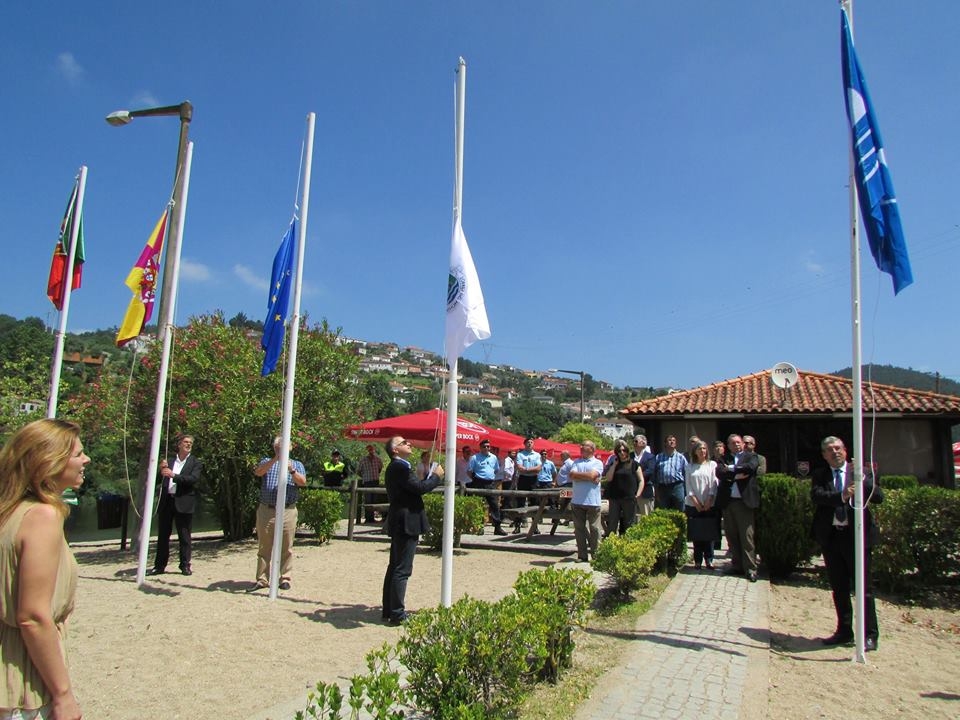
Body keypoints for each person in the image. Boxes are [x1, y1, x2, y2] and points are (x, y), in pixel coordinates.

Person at [0, 419, 87, 720]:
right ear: (50, 461)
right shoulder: (42, 516)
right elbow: (33, 617)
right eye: (77, 454)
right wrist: (63, 694)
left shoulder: (10, 511)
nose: (85, 460)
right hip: (22, 678)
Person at [811, 436, 883, 651]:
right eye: (830, 450)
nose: (835, 452)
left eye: (838, 448)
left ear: (845, 450)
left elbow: (878, 496)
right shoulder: (820, 475)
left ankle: (870, 635)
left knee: (864, 588)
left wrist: (863, 480)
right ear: (824, 455)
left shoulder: (859, 471)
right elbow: (817, 496)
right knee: (839, 587)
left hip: (857, 537)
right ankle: (844, 631)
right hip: (832, 537)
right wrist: (841, 496)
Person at [382, 437, 443, 625]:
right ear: (395, 450)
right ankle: (397, 614)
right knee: (402, 569)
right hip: (406, 521)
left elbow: (413, 488)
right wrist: (436, 477)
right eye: (404, 442)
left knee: (395, 567)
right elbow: (419, 488)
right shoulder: (400, 467)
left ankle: (389, 609)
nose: (409, 444)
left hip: (401, 520)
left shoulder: (399, 467)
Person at [250, 436, 307, 592]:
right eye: (277, 447)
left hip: (287, 510)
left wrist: (291, 469)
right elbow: (258, 472)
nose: (279, 450)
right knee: (264, 546)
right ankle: (262, 579)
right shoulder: (266, 461)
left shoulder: (296, 464)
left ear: (290, 448)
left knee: (286, 546)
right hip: (266, 510)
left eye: (282, 447)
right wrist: (275, 459)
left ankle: (285, 578)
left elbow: (302, 482)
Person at [149, 434, 202, 576]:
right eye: (186, 442)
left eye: (190, 442)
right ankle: (159, 566)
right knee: (163, 535)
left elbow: (193, 479)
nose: (188, 444)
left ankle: (185, 565)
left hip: (184, 501)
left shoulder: (195, 462)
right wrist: (161, 471)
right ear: (179, 444)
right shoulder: (170, 461)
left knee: (184, 536)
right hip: (167, 501)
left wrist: (174, 476)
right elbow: (159, 479)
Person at [715, 434, 760, 581]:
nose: (737, 445)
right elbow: (720, 472)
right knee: (731, 536)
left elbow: (750, 468)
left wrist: (732, 468)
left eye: (738, 442)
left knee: (747, 536)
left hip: (744, 502)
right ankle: (737, 566)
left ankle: (750, 569)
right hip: (728, 502)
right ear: (728, 446)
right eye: (733, 443)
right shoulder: (724, 458)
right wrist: (735, 475)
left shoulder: (750, 456)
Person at [684, 440, 720, 570]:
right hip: (694, 504)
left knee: (709, 533)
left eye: (704, 448)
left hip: (709, 503)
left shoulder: (712, 465)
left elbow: (713, 484)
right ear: (695, 451)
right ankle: (697, 560)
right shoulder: (689, 466)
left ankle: (709, 560)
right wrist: (696, 502)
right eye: (699, 449)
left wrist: (709, 500)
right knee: (697, 533)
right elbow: (688, 486)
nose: (702, 451)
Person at [568, 441, 605, 563]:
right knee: (579, 529)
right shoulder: (576, 462)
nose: (581, 447)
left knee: (594, 529)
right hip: (577, 500)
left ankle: (597, 555)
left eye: (584, 445)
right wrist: (588, 477)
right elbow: (572, 475)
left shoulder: (598, 463)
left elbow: (592, 475)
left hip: (592, 501)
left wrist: (581, 476)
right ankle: (582, 555)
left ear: (592, 448)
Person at [603, 439, 644, 535]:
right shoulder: (614, 464)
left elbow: (641, 480)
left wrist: (638, 494)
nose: (622, 453)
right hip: (615, 498)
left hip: (629, 498)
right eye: (619, 451)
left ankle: (628, 544)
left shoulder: (634, 464)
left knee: (629, 523)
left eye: (624, 450)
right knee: (612, 522)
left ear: (627, 451)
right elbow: (608, 478)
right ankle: (611, 543)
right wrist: (614, 465)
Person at [468, 440, 507, 535]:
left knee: (494, 505)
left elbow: (496, 470)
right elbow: (469, 471)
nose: (486, 448)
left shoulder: (493, 457)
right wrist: (475, 479)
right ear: (480, 447)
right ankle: (479, 527)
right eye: (484, 446)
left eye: (488, 446)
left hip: (490, 483)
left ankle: (497, 527)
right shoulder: (474, 458)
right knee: (479, 505)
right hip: (478, 482)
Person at [651, 435, 687, 511]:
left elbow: (686, 473)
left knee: (680, 510)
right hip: (663, 487)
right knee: (663, 510)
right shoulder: (659, 457)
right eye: (669, 440)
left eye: (673, 440)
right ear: (665, 443)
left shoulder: (681, 457)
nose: (672, 442)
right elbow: (655, 473)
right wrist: (656, 489)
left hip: (677, 486)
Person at [356, 444, 383, 524]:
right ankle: (368, 518)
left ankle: (372, 518)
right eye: (369, 450)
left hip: (375, 481)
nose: (371, 451)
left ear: (374, 450)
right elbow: (358, 471)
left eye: (372, 450)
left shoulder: (378, 459)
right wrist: (364, 476)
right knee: (368, 500)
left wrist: (376, 475)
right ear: (367, 451)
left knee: (374, 500)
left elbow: (380, 468)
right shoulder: (363, 460)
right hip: (367, 481)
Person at [632, 434, 656, 516]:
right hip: (631, 491)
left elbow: (650, 471)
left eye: (636, 441)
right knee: (631, 515)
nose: (634, 443)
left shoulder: (650, 457)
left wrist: (637, 476)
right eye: (634, 441)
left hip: (645, 490)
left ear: (643, 443)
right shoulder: (630, 456)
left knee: (646, 515)